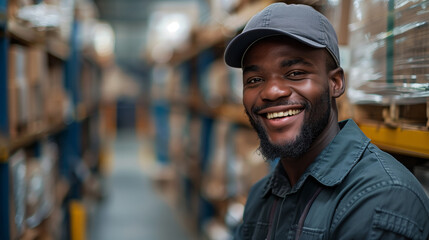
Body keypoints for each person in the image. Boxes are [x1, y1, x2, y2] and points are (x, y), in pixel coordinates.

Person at [224, 2, 429, 239]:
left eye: (295, 74)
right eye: (255, 79)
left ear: (336, 82)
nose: (272, 91)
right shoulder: (261, 196)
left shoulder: (382, 200)